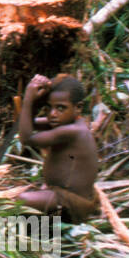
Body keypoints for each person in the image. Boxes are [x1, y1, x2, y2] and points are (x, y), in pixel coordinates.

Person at [14, 74, 99, 222]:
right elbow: (26, 124)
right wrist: (35, 102)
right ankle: (44, 227)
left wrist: (28, 99)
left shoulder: (73, 130)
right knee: (25, 204)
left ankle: (44, 231)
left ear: (78, 108)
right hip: (61, 195)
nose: (53, 114)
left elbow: (26, 138)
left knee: (22, 200)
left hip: (72, 204)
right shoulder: (64, 122)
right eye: (49, 107)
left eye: (61, 108)